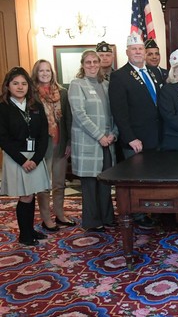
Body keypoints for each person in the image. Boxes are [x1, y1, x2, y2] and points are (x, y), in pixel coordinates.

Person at [109, 32, 163, 228]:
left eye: (141, 49)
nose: (138, 52)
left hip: (157, 136)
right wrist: (130, 137)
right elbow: (119, 111)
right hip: (136, 139)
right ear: (127, 52)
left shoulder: (155, 72)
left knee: (154, 177)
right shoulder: (119, 76)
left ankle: (154, 211)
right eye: (134, 49)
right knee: (137, 179)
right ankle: (139, 216)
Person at [0, 67, 50, 246]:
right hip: (17, 158)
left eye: (23, 83)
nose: (20, 87)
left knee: (32, 193)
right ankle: (25, 235)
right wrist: (23, 161)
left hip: (34, 157)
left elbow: (44, 134)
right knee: (25, 196)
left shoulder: (36, 105)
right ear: (8, 86)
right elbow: (3, 139)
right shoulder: (3, 107)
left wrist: (36, 159)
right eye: (15, 83)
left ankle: (29, 230)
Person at [68, 50, 118, 232]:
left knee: (105, 182)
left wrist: (113, 133)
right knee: (90, 184)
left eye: (95, 62)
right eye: (88, 62)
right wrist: (99, 136)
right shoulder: (77, 84)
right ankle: (92, 220)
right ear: (82, 65)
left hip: (108, 142)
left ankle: (108, 217)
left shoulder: (106, 85)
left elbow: (115, 113)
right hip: (89, 142)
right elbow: (79, 115)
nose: (92, 65)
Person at [31, 59, 75, 230]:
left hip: (61, 143)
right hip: (43, 146)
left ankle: (60, 214)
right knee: (43, 184)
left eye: (48, 71)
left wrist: (69, 141)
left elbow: (68, 120)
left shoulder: (62, 93)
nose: (45, 74)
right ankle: (46, 218)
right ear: (36, 73)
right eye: (41, 71)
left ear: (52, 73)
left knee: (59, 182)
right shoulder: (32, 94)